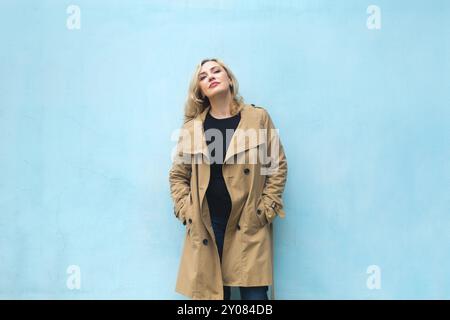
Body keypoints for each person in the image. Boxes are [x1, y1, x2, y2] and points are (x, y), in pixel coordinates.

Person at [169, 58, 288, 300]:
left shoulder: (258, 118)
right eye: (203, 76)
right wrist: (187, 211)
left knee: (255, 299)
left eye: (216, 71)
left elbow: (276, 165)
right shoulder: (192, 128)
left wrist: (264, 210)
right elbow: (178, 176)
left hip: (248, 222)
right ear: (200, 90)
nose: (210, 77)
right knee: (212, 297)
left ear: (229, 79)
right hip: (208, 226)